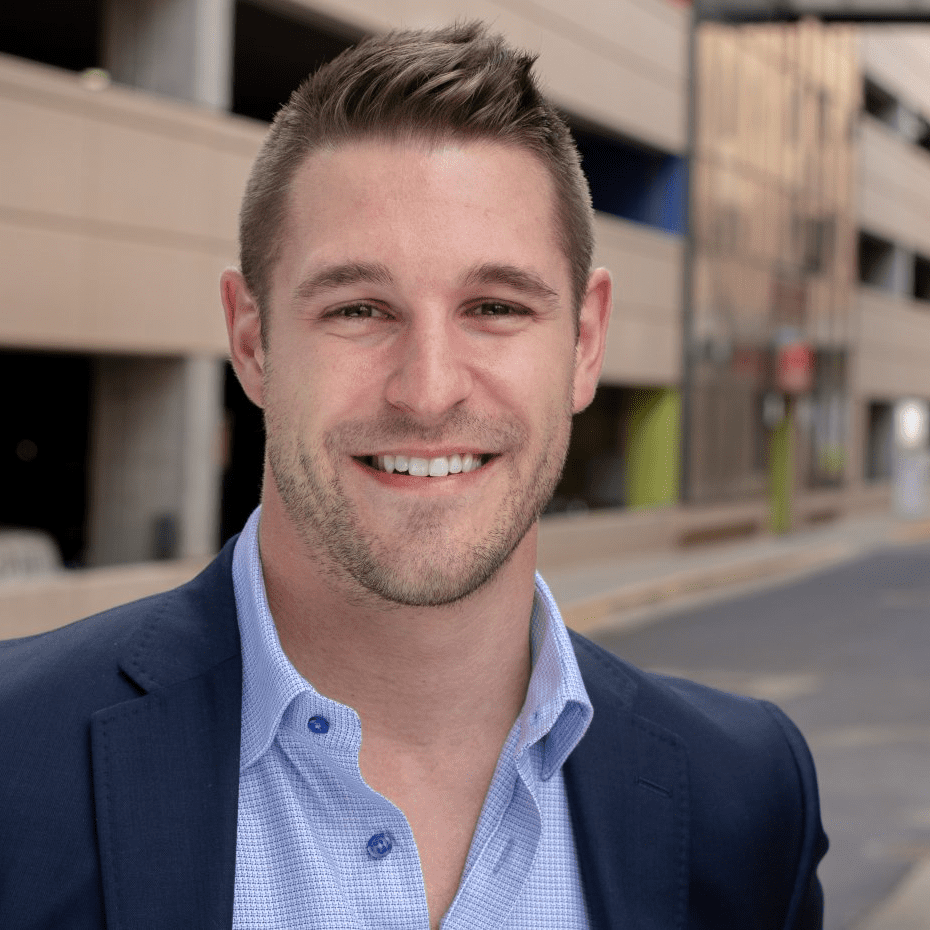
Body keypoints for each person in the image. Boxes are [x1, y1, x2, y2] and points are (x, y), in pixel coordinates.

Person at [0, 22, 827, 930]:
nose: (428, 390)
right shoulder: (13, 756)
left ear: (586, 342)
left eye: (496, 307)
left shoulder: (746, 800)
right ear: (252, 341)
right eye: (358, 307)